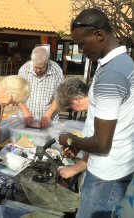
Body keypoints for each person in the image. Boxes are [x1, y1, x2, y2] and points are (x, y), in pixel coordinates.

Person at [58, 8, 134, 218]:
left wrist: (70, 140)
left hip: (106, 173)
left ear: (99, 35)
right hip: (119, 164)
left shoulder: (112, 74)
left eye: (82, 44)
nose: (80, 50)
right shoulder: (124, 62)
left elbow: (102, 143)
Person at [18, 46, 64, 128]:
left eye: (42, 68)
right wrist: (26, 112)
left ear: (47, 61)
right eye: (36, 67)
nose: (38, 70)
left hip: (50, 118)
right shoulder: (24, 70)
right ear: (32, 60)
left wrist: (48, 114)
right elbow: (18, 94)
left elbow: (59, 96)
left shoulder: (56, 71)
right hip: (26, 117)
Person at [55, 78, 89, 179]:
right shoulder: (93, 108)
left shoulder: (100, 111)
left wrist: (73, 169)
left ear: (77, 99)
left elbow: (100, 147)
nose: (72, 109)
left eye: (71, 106)